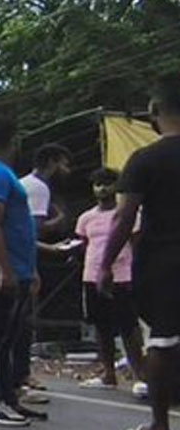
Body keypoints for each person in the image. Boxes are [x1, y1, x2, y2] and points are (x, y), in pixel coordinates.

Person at [99, 73, 180, 430]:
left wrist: (105, 264)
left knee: (163, 342)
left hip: (165, 262)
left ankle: (159, 428)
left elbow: (124, 217)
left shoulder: (146, 159)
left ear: (155, 110)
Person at [0, 115, 45, 426]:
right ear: (14, 139)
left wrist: (29, 268)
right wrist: (4, 269)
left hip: (18, 267)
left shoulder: (3, 174)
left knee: (9, 337)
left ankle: (9, 398)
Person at [75, 168, 146, 394]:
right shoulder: (86, 218)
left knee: (128, 328)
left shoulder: (129, 214)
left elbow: (137, 244)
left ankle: (140, 375)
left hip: (123, 276)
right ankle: (108, 374)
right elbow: (84, 244)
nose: (102, 188)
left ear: (117, 186)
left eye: (107, 183)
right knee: (101, 326)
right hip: (92, 277)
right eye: (97, 184)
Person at [15, 142, 72, 400]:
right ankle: (20, 375)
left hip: (9, 257)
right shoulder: (38, 188)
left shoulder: (22, 183)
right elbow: (34, 232)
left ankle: (15, 374)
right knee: (22, 319)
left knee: (13, 320)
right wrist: (59, 222)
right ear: (50, 162)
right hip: (20, 261)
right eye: (63, 163)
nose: (67, 170)